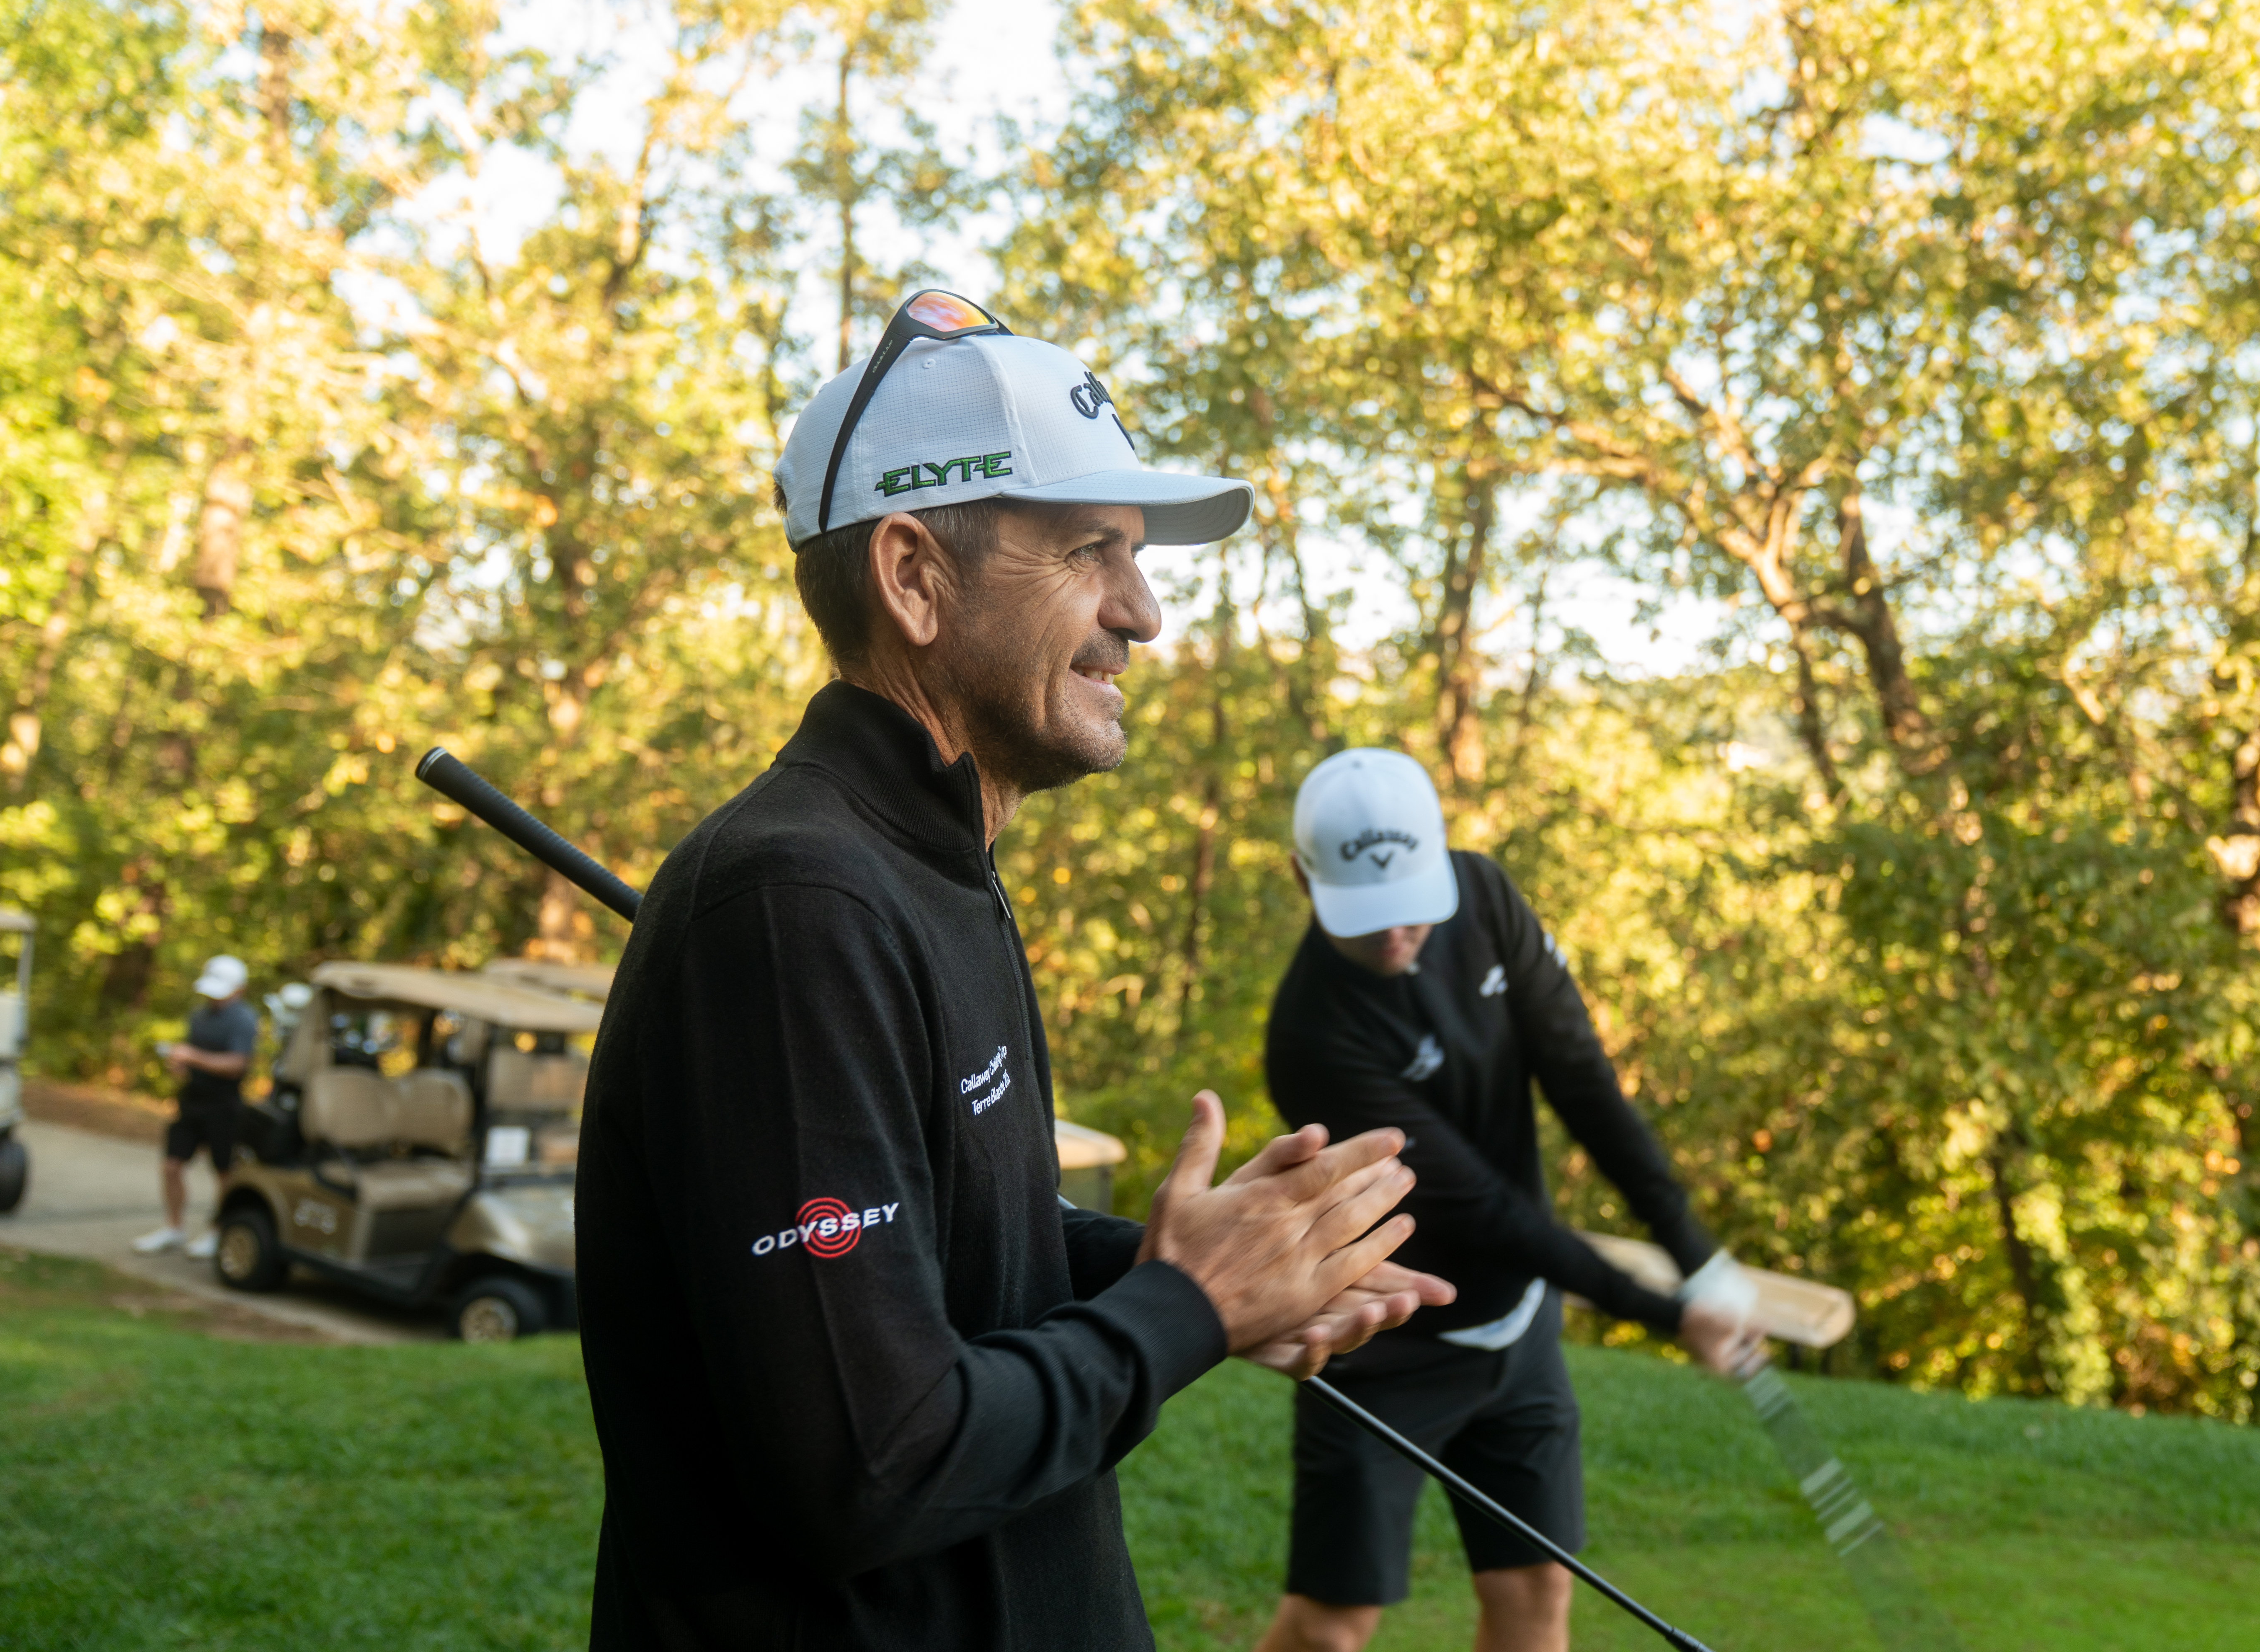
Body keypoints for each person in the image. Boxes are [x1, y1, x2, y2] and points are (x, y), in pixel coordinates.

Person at [575, 290, 1452, 1652]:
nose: (1142, 612)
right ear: (914, 578)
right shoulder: (793, 905)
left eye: (1136, 557)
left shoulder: (931, 863)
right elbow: (874, 1463)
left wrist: (1190, 1258)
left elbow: (954, 1253)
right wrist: (1184, 1307)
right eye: (1091, 550)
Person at [1254, 750, 1762, 1652]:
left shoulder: (1482, 895)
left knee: (1534, 1593)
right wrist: (1666, 1313)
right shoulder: (1310, 1036)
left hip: (1518, 1332)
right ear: (1304, 877)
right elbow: (1482, 1211)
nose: (1397, 932)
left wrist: (1698, 1255)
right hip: (1384, 1343)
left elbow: (1581, 1078)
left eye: (1411, 902)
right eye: (1368, 914)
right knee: (1331, 1627)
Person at [134, 953, 255, 1259]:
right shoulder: (199, 1016)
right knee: (171, 1166)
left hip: (224, 1107)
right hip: (192, 1102)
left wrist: (194, 1057)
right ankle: (174, 1229)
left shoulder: (244, 1020)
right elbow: (193, 1056)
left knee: (225, 1173)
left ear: (239, 989)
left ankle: (218, 1231)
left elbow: (237, 1065)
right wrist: (180, 1064)